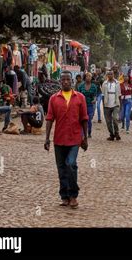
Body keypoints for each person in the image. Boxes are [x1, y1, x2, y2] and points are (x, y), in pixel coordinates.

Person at [45, 70, 88, 208]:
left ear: (72, 81)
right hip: (59, 139)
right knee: (61, 168)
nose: (65, 82)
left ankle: (73, 195)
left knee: (71, 164)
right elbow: (50, 119)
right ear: (60, 82)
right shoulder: (54, 98)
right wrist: (47, 138)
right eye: (63, 80)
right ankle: (64, 196)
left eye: (68, 79)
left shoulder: (80, 97)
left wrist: (85, 138)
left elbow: (84, 119)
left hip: (75, 138)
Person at [78, 72, 98, 138]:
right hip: (82, 105)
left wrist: (94, 100)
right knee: (82, 119)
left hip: (90, 105)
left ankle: (89, 132)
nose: (88, 78)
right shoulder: (81, 86)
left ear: (91, 78)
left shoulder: (93, 87)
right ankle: (82, 133)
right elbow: (78, 95)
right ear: (85, 77)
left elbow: (95, 96)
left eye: (89, 76)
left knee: (89, 120)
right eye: (87, 76)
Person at [102, 70, 121, 141]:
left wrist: (120, 104)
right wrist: (103, 104)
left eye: (111, 74)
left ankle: (117, 133)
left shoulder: (117, 83)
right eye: (109, 74)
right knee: (108, 121)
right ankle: (111, 134)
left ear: (113, 75)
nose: (110, 75)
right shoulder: (104, 83)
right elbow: (103, 95)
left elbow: (119, 95)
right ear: (107, 75)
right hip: (107, 104)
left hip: (115, 103)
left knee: (115, 119)